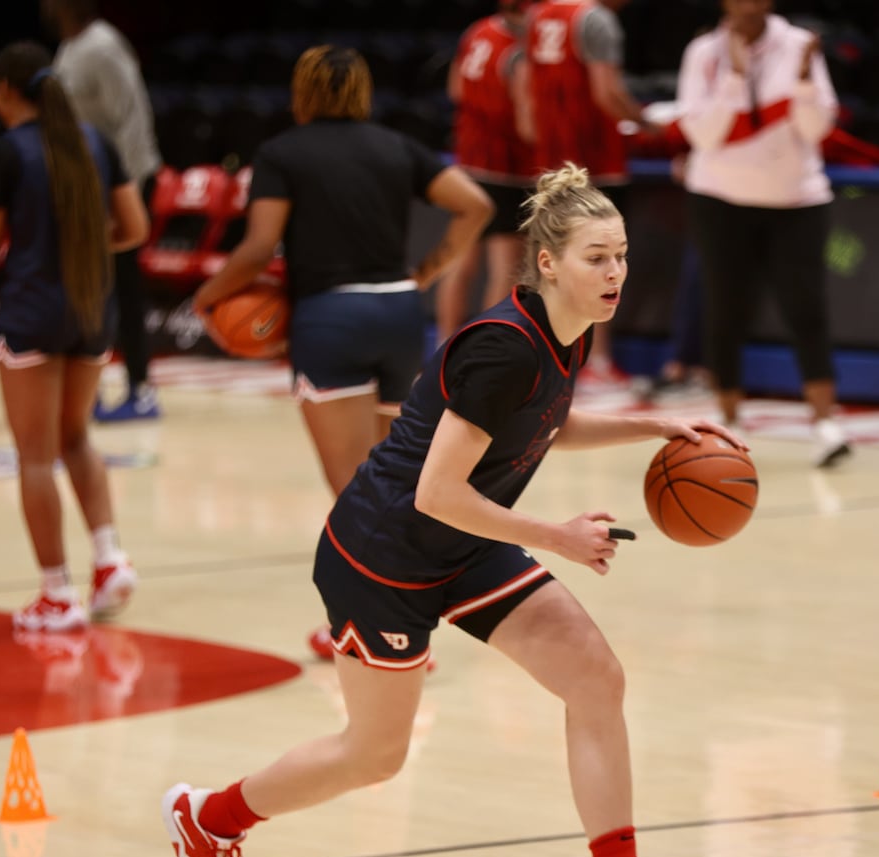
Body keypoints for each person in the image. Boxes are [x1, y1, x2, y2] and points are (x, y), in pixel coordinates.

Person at [162, 164, 737, 857]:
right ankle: (212, 819)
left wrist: (652, 425)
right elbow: (437, 492)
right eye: (597, 258)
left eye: (622, 256)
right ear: (547, 263)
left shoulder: (568, 329)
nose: (615, 274)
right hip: (383, 555)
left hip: (461, 542)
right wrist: (558, 535)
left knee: (594, 678)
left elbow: (544, 426)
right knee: (375, 755)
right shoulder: (503, 348)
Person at [189, 44, 492, 658]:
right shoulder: (394, 146)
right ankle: (412, 625)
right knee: (396, 481)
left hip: (331, 318)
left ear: (303, 92)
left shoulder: (281, 154)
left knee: (355, 491)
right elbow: (477, 205)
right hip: (400, 315)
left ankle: (382, 632)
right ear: (361, 92)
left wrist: (206, 299)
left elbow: (257, 249)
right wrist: (430, 269)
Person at [0, 41, 148, 631]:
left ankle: (56, 593)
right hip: (89, 310)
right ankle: (108, 559)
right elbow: (135, 227)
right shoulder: (96, 143)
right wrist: (80, 248)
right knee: (76, 438)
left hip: (32, 311)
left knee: (35, 457)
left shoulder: (6, 154)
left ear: (6, 89)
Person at [675, 0, 851, 467]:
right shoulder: (702, 52)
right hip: (719, 197)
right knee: (725, 310)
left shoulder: (800, 45)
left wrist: (806, 79)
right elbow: (704, 136)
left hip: (796, 200)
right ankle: (728, 421)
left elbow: (816, 128)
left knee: (806, 309)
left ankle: (825, 425)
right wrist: (733, 76)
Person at [44, 0, 164, 423]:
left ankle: (141, 388)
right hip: (89, 185)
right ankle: (89, 386)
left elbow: (132, 119)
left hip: (121, 182)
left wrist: (124, 193)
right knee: (91, 283)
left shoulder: (104, 45)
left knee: (124, 282)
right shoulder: (69, 48)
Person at [522, 0, 650, 385]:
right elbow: (606, 94)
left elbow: (526, 98)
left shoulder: (538, 15)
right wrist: (648, 125)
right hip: (593, 159)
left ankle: (545, 360)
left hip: (550, 160)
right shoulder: (597, 19)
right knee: (603, 264)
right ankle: (595, 362)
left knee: (553, 265)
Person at [434, 0, 537, 346]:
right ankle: (486, 351)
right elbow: (527, 125)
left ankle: (442, 348)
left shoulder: (478, 31)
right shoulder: (521, 51)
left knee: (459, 263)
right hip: (507, 168)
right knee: (503, 269)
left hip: (468, 163)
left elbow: (455, 90)